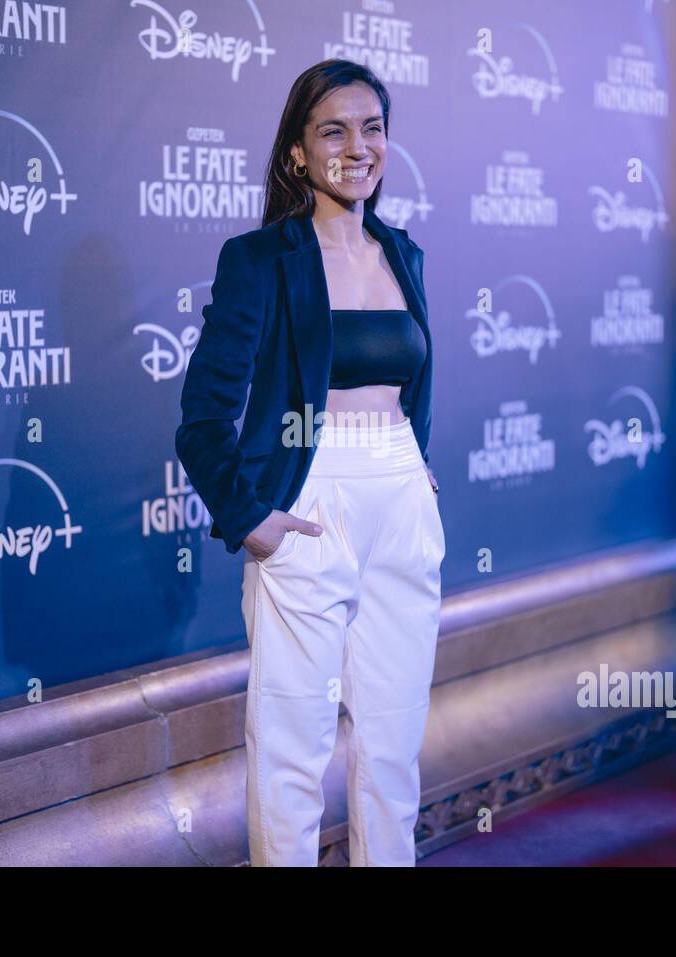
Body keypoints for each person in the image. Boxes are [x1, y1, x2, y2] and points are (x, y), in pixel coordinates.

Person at [175, 60, 445, 866]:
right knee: (292, 751)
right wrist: (250, 516)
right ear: (298, 152)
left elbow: (413, 383)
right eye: (333, 129)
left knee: (392, 750)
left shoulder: (403, 252)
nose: (356, 145)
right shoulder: (260, 258)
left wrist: (415, 466)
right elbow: (202, 419)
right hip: (307, 501)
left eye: (372, 128)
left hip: (400, 498)